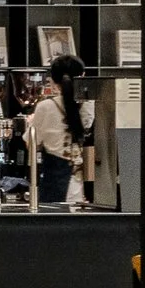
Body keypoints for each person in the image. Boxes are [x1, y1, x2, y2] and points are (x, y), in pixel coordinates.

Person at [28, 54, 89, 205]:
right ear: (82, 76)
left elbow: (30, 143)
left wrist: (31, 123)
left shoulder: (45, 107)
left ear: (54, 81)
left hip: (54, 181)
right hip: (85, 183)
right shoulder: (91, 105)